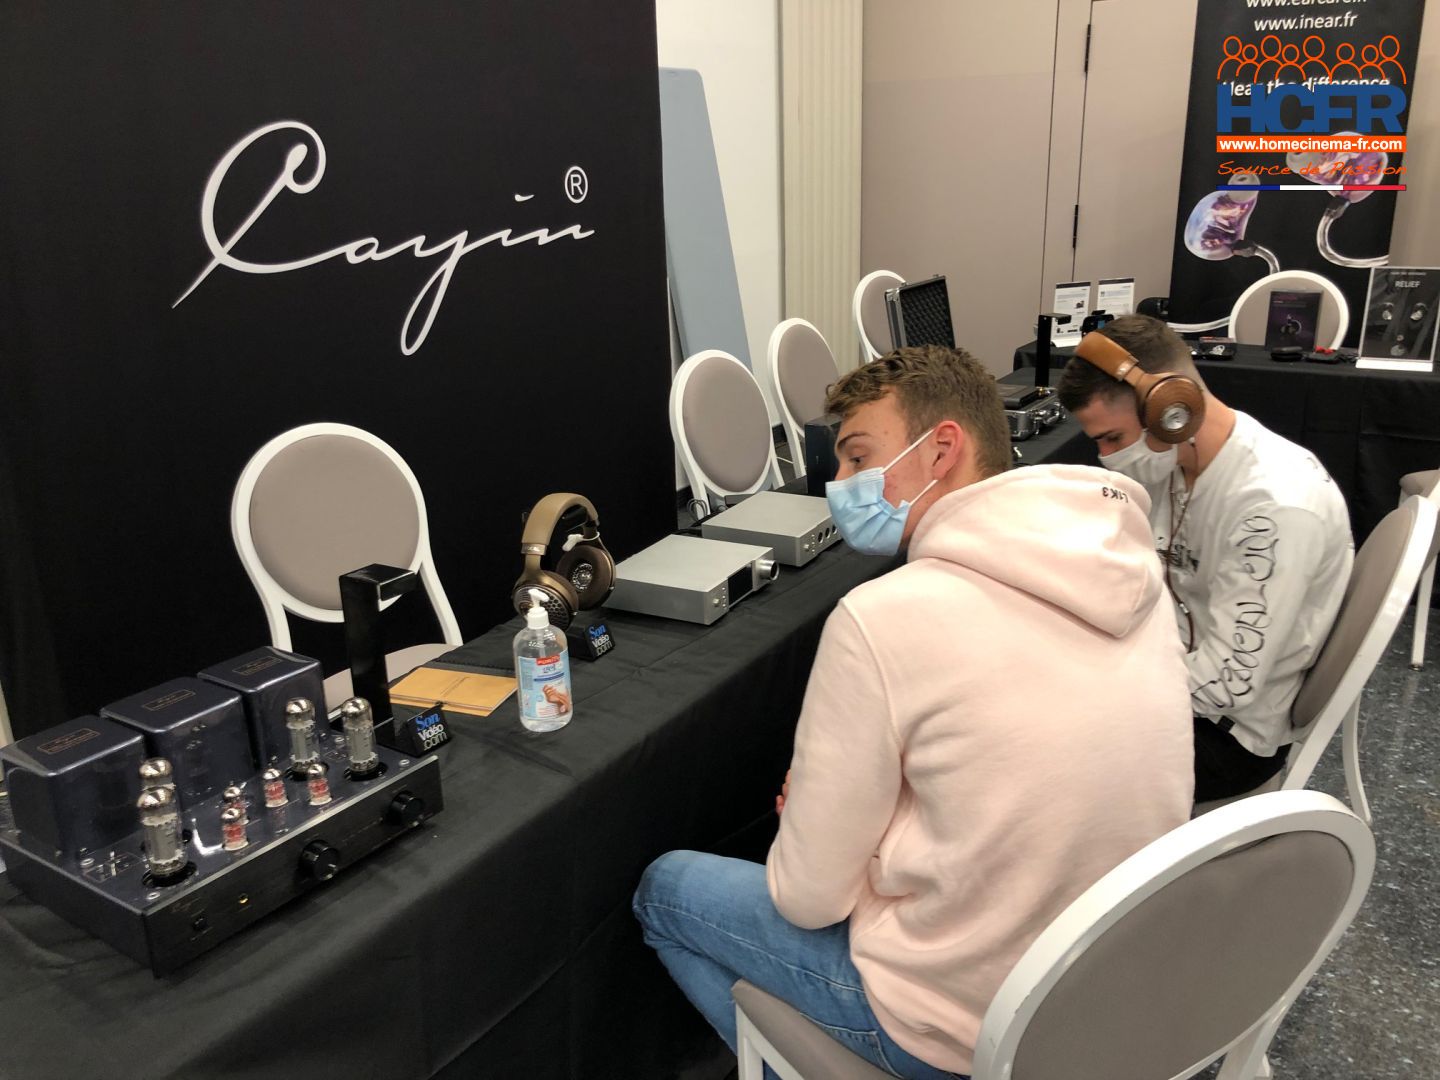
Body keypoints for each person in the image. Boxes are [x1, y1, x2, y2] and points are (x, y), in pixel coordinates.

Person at [633, 345, 1194, 1079]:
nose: (839, 485)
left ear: (943, 449)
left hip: (963, 1027)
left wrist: (856, 842)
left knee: (665, 891)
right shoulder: (1131, 571)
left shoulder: (881, 618)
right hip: (1114, 997)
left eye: (858, 457)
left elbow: (807, 900)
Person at [1057, 314, 1354, 801]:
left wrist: (1094, 687)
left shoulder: (1275, 508)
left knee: (1030, 752)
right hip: (1174, 673)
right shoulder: (1179, 460)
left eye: (1112, 438)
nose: (1108, 456)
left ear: (1173, 410)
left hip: (1227, 735)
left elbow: (1228, 683)